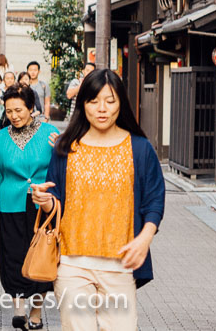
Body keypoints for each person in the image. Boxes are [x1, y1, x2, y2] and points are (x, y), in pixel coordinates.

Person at [32, 69, 165, 331]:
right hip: (71, 264)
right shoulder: (66, 147)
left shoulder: (139, 148)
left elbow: (154, 201)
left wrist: (145, 238)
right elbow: (56, 201)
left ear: (121, 103)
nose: (102, 109)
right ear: (83, 104)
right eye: (93, 101)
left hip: (120, 266)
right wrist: (44, 200)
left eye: (110, 100)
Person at [0, 85, 55, 330]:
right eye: (9, 111)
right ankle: (19, 311)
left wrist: (63, 149)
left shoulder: (50, 133)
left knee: (42, 258)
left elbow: (63, 167)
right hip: (11, 205)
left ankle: (36, 313)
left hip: (42, 205)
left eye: (19, 110)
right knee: (13, 257)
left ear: (31, 108)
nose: (14, 115)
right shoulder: (1, 137)